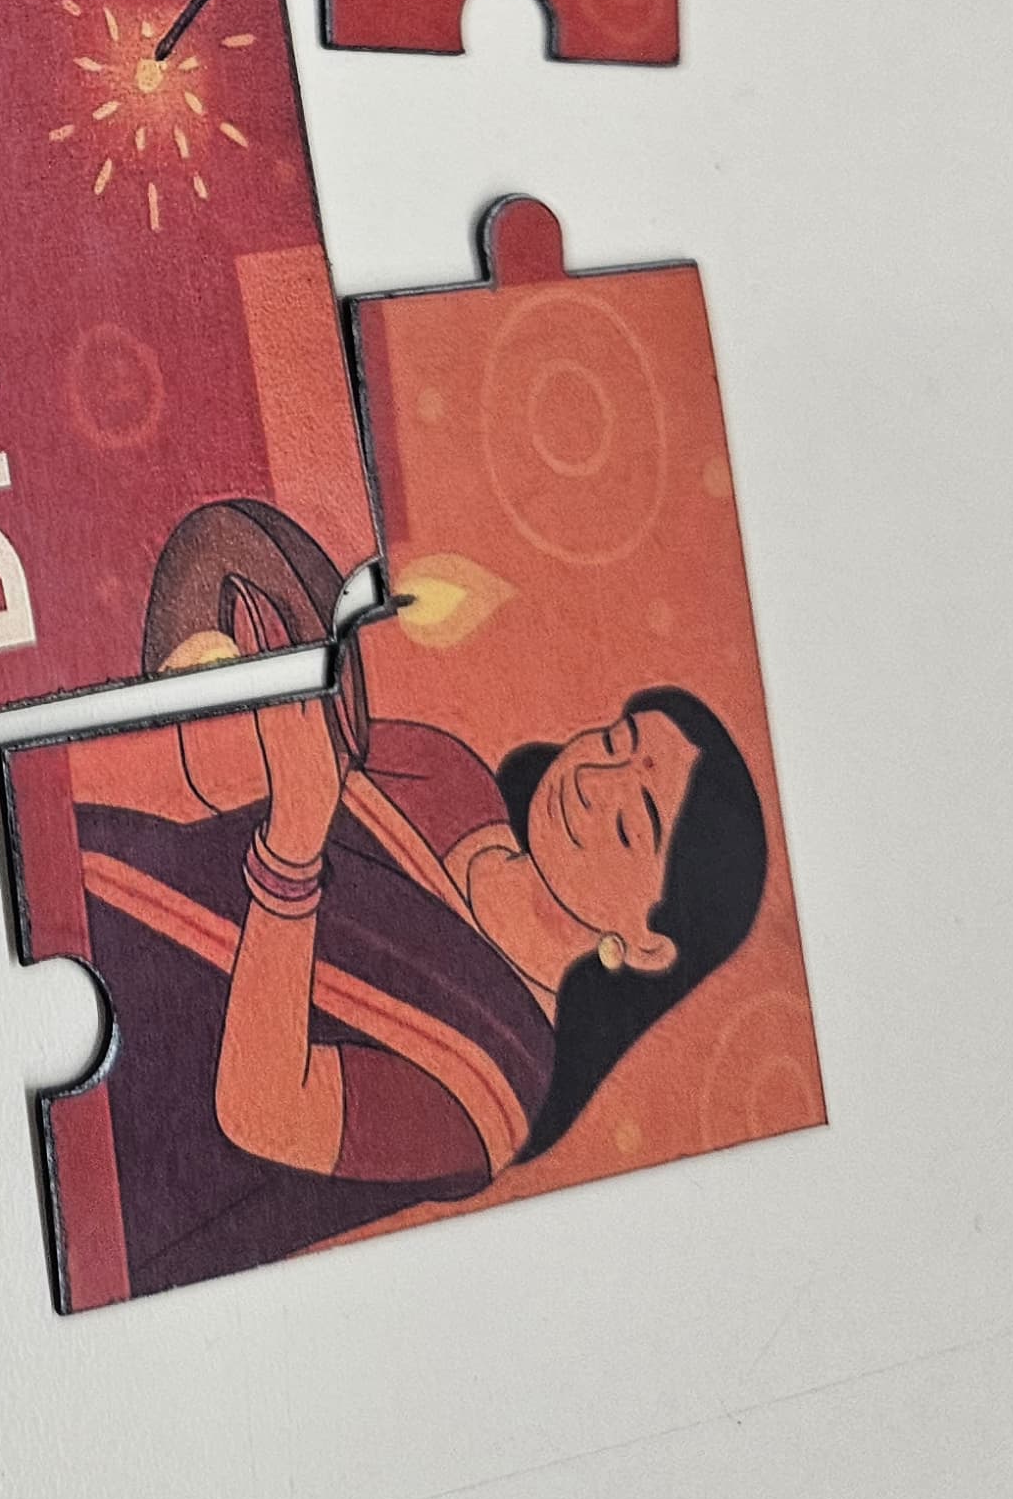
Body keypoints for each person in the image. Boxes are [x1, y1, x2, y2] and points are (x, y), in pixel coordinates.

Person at [64, 502, 766, 1292]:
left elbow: (265, 1110)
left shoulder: (495, 1090)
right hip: (91, 891)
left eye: (632, 825)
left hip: (135, 1139)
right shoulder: (446, 774)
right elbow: (227, 781)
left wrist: (296, 840)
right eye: (614, 742)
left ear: (646, 942)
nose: (595, 783)